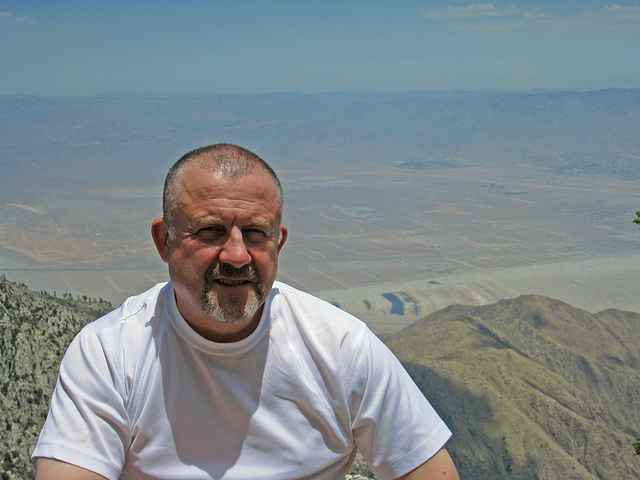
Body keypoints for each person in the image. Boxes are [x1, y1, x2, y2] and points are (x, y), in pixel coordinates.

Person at [32, 143, 459, 480]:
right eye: (210, 231)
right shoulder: (109, 354)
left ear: (280, 243)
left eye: (255, 233)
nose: (237, 255)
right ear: (165, 241)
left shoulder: (342, 348)